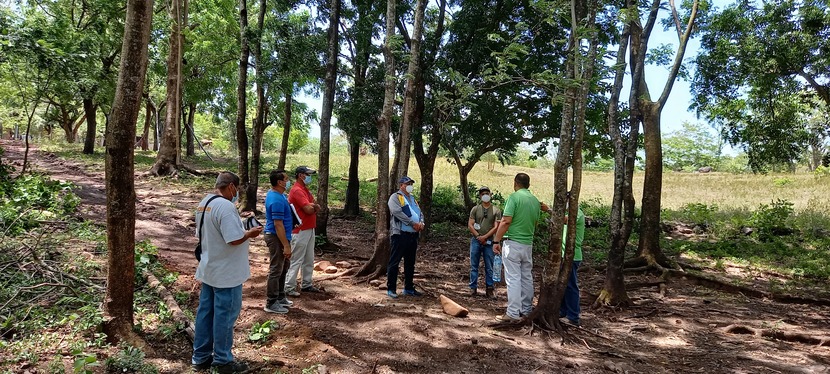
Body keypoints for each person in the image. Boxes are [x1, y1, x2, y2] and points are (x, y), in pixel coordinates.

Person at [192, 171, 263, 373]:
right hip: (227, 273)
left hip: (209, 268)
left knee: (205, 313)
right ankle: (223, 360)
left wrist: (241, 225)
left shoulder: (205, 203)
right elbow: (232, 239)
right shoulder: (226, 207)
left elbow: (210, 232)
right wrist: (249, 233)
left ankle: (201, 356)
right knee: (225, 316)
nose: (237, 193)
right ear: (232, 186)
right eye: (237, 189)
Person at [492, 173, 541, 322]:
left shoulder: (514, 197)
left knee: (513, 278)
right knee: (526, 277)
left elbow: (506, 221)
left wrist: (496, 240)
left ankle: (512, 313)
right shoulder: (535, 201)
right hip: (528, 243)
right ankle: (526, 310)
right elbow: (535, 222)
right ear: (529, 185)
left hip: (513, 243)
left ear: (515, 183)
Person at [285, 166, 321, 296]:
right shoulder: (297, 190)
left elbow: (314, 204)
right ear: (301, 175)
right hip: (300, 230)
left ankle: (307, 283)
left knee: (309, 258)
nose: (309, 177)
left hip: (309, 228)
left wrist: (313, 206)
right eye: (308, 174)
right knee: (297, 259)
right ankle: (289, 286)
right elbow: (309, 209)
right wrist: (313, 207)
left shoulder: (305, 190)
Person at [386, 176, 425, 298]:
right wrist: (412, 223)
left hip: (413, 235)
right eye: (407, 183)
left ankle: (408, 287)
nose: (409, 186)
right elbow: (397, 212)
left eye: (411, 183)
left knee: (410, 262)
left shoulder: (412, 199)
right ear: (401, 185)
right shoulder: (396, 197)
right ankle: (391, 288)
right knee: (395, 261)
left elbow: (419, 212)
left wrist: (421, 223)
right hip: (400, 234)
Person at [263, 170, 295, 314]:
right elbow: (278, 224)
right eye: (286, 179)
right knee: (276, 268)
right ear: (280, 182)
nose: (288, 181)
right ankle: (271, 302)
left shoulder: (280, 196)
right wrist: (286, 245)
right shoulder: (275, 199)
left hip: (282, 236)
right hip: (276, 237)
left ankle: (281, 296)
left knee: (284, 267)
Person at [467, 186, 501, 297]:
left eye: (486, 193)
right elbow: (470, 225)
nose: (485, 195)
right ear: (480, 196)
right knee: (474, 265)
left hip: (490, 241)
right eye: (482, 194)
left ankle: (490, 288)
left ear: (490, 195)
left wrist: (485, 237)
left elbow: (496, 227)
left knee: (489, 266)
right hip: (476, 241)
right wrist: (478, 236)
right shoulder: (475, 209)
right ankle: (473, 288)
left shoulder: (496, 210)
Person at [560, 195, 585, 325]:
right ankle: (563, 311)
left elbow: (565, 220)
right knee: (563, 285)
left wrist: (549, 210)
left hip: (572, 255)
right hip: (563, 254)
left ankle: (573, 316)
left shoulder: (578, 214)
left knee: (571, 285)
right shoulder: (568, 213)